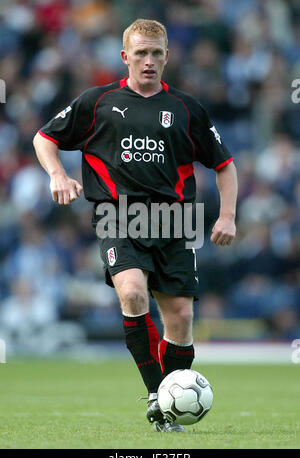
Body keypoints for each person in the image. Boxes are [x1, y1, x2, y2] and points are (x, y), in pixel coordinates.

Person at [33, 19, 237, 432]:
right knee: (131, 293)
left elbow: (224, 165)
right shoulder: (98, 101)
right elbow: (43, 138)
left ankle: (167, 399)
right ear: (125, 57)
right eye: (140, 53)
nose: (149, 61)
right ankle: (156, 396)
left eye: (156, 53)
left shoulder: (186, 108)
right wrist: (57, 174)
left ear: (167, 56)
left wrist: (229, 215)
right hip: (119, 215)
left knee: (179, 319)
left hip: (177, 220)